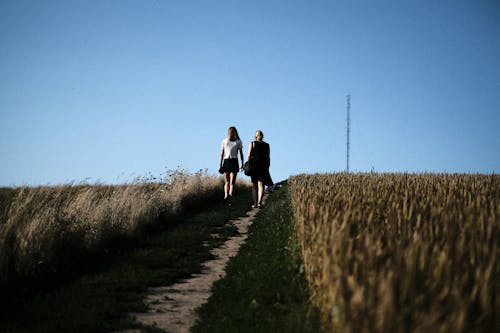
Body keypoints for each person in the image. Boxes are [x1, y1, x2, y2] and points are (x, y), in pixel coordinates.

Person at [246, 130, 273, 208]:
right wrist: (268, 166)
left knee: (254, 185)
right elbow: (268, 157)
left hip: (254, 165)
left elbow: (248, 155)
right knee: (261, 184)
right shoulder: (267, 145)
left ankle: (255, 203)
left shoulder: (252, 143)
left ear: (255, 136)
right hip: (263, 166)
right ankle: (260, 203)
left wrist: (247, 164)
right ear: (262, 136)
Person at [220, 126, 244, 205]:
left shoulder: (224, 141)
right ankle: (230, 199)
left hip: (226, 161)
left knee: (226, 182)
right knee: (232, 183)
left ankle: (226, 195)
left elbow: (222, 154)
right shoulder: (238, 141)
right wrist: (242, 163)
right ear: (235, 132)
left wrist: (220, 164)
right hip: (234, 161)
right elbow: (241, 154)